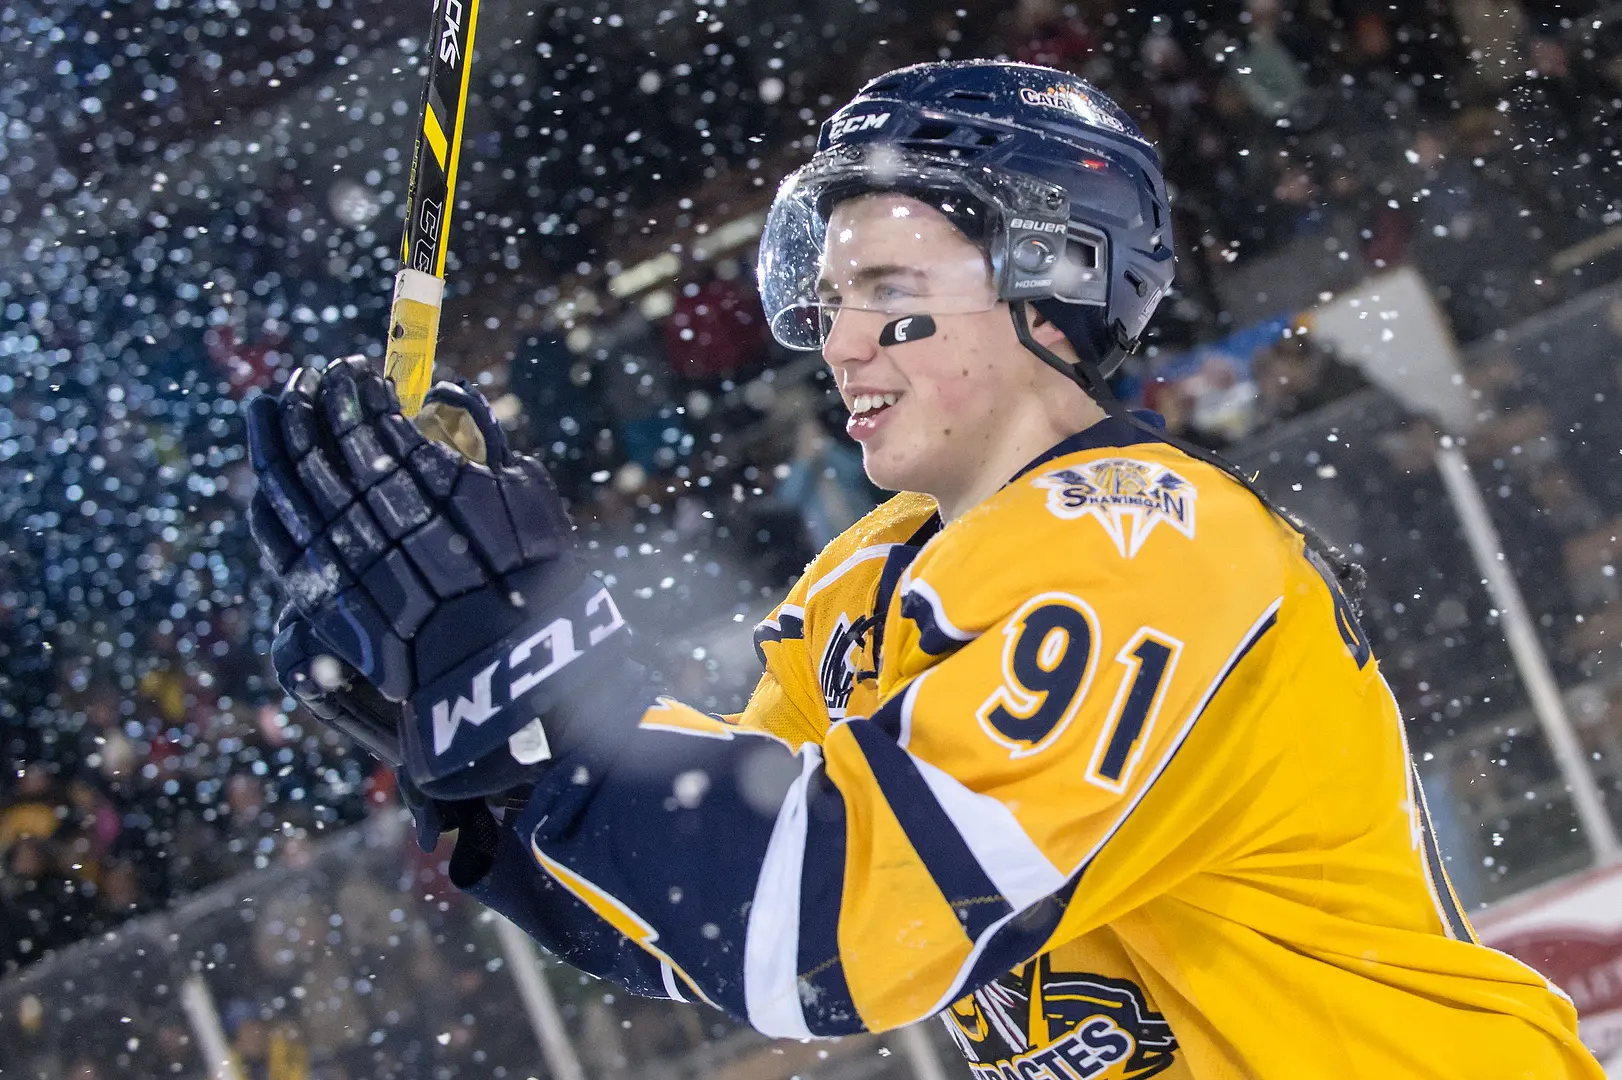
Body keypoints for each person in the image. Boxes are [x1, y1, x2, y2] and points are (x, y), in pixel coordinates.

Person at [245, 61, 1603, 1078]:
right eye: (829, 305)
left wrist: (516, 651)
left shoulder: (1142, 539)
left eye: (890, 295)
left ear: (1050, 279)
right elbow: (691, 914)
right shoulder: (862, 581)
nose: (842, 344)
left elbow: (816, 932)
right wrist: (480, 742)